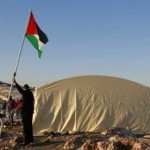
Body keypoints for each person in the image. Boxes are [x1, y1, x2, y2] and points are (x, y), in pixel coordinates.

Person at [13, 78, 34, 146]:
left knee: (26, 128)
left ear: (25, 88)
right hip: (29, 113)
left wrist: (15, 83)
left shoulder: (27, 92)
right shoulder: (30, 94)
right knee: (29, 127)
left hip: (26, 113)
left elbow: (21, 91)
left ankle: (27, 142)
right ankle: (30, 140)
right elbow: (24, 103)